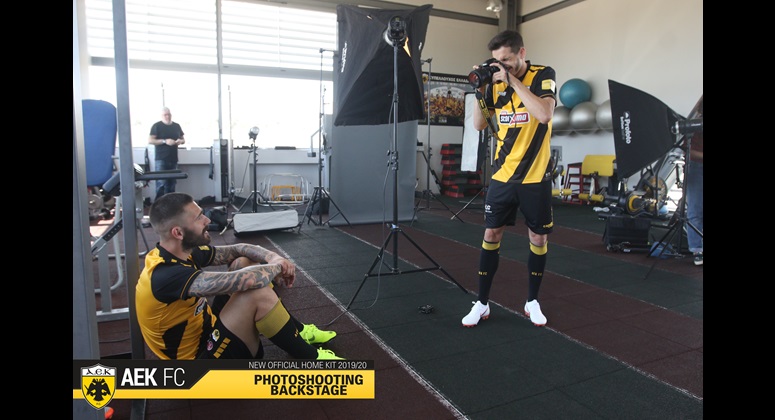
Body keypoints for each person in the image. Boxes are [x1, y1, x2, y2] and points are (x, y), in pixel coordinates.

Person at [136, 192, 343, 360]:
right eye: (199, 218)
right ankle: (311, 358)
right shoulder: (165, 275)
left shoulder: (179, 251)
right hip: (198, 363)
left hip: (207, 327)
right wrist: (277, 268)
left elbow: (238, 249)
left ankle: (299, 331)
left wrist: (274, 258)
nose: (207, 219)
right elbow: (251, 280)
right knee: (256, 291)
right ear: (178, 233)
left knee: (243, 263)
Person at [462, 30, 557, 328]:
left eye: (506, 60)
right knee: (491, 235)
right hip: (503, 175)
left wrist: (513, 81)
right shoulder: (494, 84)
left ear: (521, 53)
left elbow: (544, 114)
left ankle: (532, 301)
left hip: (535, 177)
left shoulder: (543, 75)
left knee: (538, 238)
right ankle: (482, 303)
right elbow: (479, 125)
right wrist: (482, 89)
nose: (501, 66)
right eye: (497, 61)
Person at [149, 107, 185, 201]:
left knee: (172, 184)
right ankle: (159, 204)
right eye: (165, 115)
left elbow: (183, 139)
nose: (167, 117)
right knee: (161, 183)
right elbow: (150, 140)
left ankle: (171, 205)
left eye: (169, 114)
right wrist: (165, 141)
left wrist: (180, 141)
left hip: (173, 159)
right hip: (161, 159)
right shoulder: (157, 126)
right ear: (162, 116)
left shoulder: (176, 126)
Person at [685, 96, 703, 266]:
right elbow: (688, 150)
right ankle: (697, 249)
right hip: (697, 167)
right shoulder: (695, 125)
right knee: (695, 209)